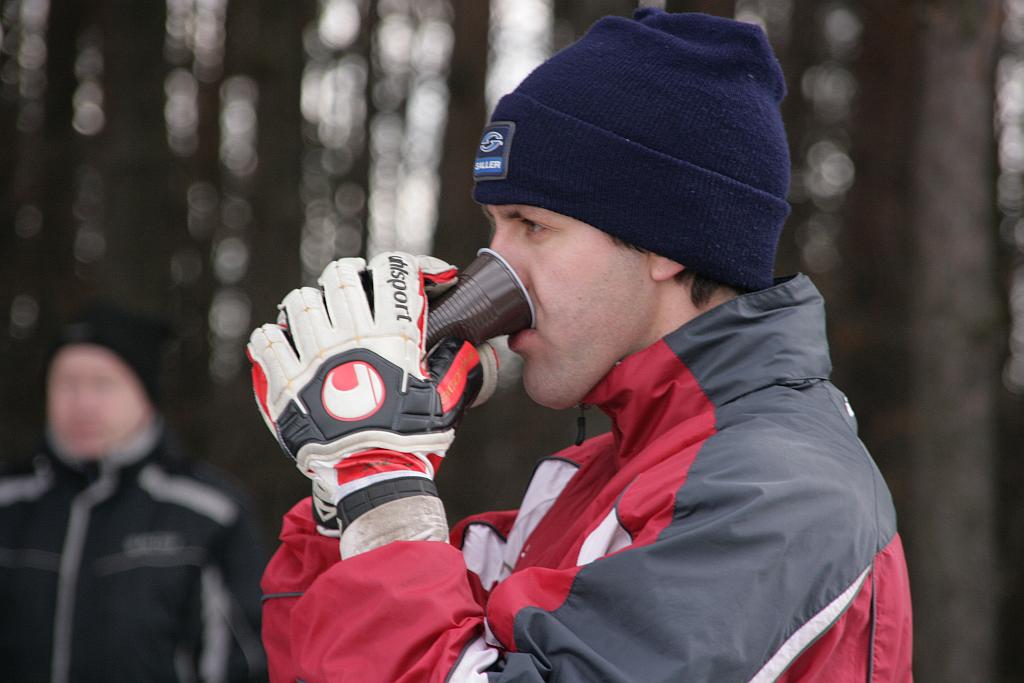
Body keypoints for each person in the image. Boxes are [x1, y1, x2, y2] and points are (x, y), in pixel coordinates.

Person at [249, 9, 913, 682]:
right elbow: (334, 657)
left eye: (530, 225)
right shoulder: (595, 480)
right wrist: (345, 498)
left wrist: (383, 492)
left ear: (663, 245)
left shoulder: (779, 493)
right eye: (494, 225)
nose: (492, 264)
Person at [0, 303, 268, 682]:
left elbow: (245, 662)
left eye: (103, 384)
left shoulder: (207, 513)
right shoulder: (8, 502)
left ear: (144, 395)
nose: (83, 403)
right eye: (67, 383)